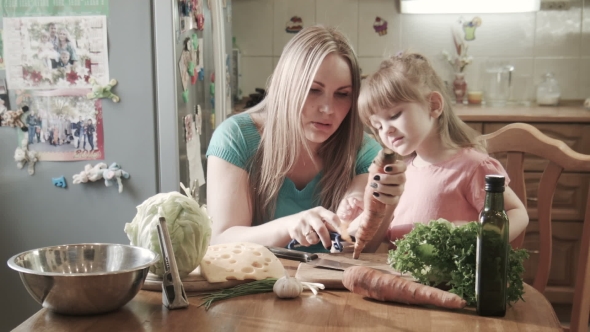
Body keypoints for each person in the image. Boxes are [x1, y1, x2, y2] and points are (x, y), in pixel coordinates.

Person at [205, 25, 406, 252]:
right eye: (313, 89)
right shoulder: (235, 137)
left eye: (342, 94)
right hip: (256, 285)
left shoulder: (363, 150)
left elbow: (363, 247)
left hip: (331, 286)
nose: (328, 109)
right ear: (288, 86)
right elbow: (221, 239)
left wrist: (379, 205)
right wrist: (289, 225)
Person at [357, 52, 529, 246]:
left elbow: (517, 213)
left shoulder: (472, 166)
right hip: (397, 274)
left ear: (433, 105)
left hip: (446, 276)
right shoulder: (401, 171)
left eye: (394, 115)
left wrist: (479, 241)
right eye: (377, 126)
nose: (386, 130)